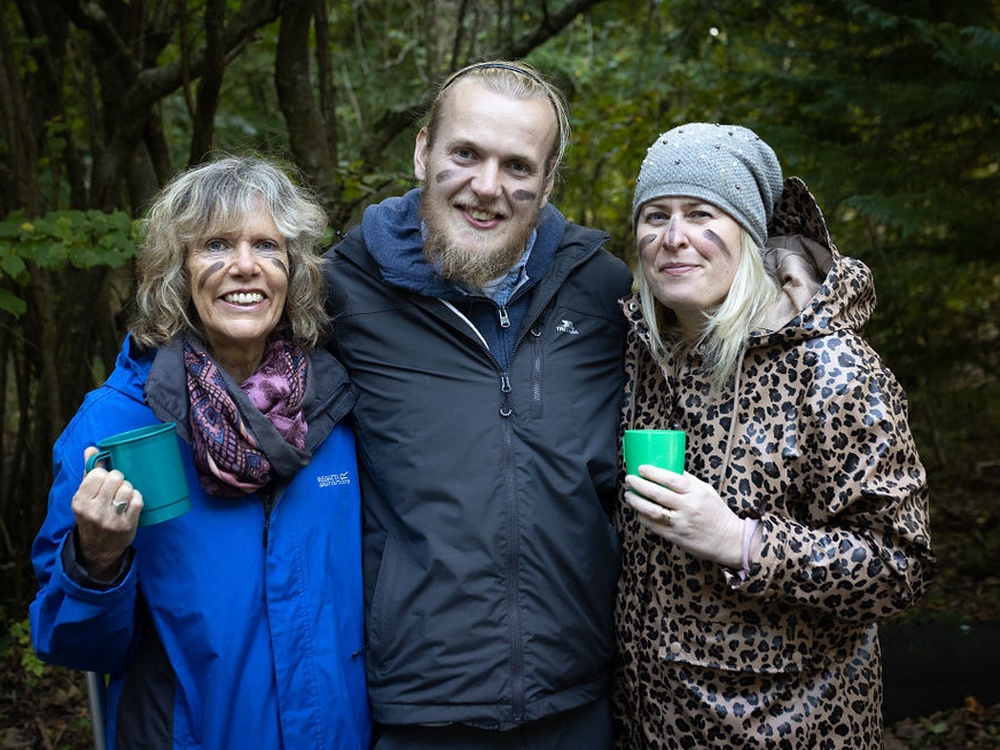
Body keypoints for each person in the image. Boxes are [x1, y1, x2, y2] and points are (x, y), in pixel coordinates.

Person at [323, 60, 633, 748]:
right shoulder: (342, 291)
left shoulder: (601, 289)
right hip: (418, 709)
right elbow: (222, 378)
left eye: (517, 167)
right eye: (465, 154)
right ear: (422, 149)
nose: (487, 187)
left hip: (577, 700)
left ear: (548, 183)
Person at [29, 157, 371, 749]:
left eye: (267, 245)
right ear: (178, 271)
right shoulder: (116, 425)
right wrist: (96, 561)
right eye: (215, 245)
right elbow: (71, 644)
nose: (244, 266)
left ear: (292, 270)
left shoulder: (336, 408)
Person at [612, 123, 935, 749]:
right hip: (648, 725)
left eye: (702, 213)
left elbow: (901, 567)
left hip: (792, 730)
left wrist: (741, 541)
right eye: (655, 216)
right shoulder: (636, 355)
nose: (674, 238)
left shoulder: (832, 368)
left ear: (750, 235)